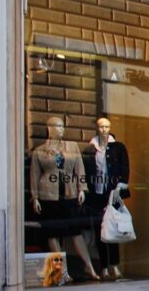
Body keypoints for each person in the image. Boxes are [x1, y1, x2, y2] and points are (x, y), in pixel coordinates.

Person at [29, 116, 99, 281]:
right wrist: (35, 197)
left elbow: (79, 169)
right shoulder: (40, 150)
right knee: (52, 233)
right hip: (48, 194)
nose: (61, 129)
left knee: (75, 232)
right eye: (58, 126)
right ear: (50, 128)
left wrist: (82, 188)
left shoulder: (72, 146)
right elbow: (34, 174)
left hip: (69, 192)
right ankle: (63, 271)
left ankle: (89, 267)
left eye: (62, 126)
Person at [83, 117, 131, 280]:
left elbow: (125, 168)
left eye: (107, 126)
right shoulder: (90, 149)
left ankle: (115, 266)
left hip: (113, 193)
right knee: (100, 231)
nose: (104, 129)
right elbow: (87, 172)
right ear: (97, 128)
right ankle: (103, 267)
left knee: (114, 228)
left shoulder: (118, 147)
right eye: (101, 127)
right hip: (96, 194)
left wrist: (120, 186)